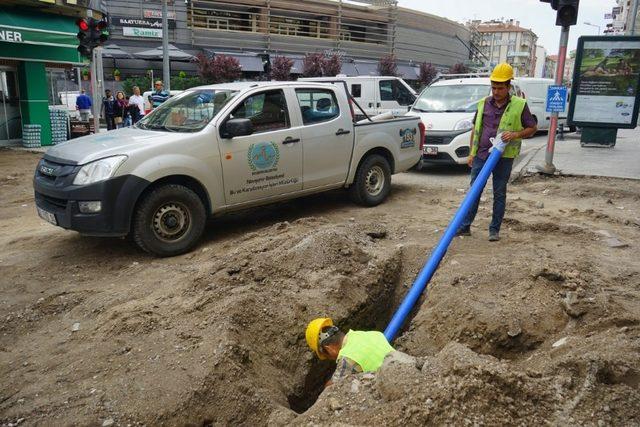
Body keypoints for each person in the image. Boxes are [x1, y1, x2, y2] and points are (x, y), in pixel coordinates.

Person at [456, 63, 537, 242]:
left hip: (503, 157)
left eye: (500, 88)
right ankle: (465, 226)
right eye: (493, 87)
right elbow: (476, 129)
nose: (496, 91)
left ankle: (494, 230)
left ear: (508, 87)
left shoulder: (519, 105)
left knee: (499, 192)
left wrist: (515, 134)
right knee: (474, 191)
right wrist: (471, 153)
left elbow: (532, 127)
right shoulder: (483, 104)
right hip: (482, 155)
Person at [305, 317, 395, 383]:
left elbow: (333, 388)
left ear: (329, 349)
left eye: (326, 355)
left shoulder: (348, 357)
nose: (331, 358)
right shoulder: (372, 334)